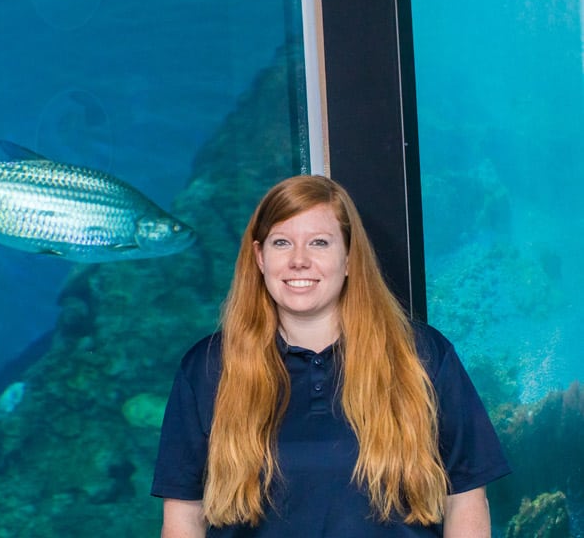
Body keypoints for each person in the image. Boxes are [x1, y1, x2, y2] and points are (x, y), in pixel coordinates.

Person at [151, 175, 510, 537]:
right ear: (260, 258)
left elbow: (465, 498)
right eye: (281, 243)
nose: (299, 261)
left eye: (319, 243)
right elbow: (183, 515)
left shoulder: (422, 355)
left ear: (350, 258)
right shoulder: (208, 367)